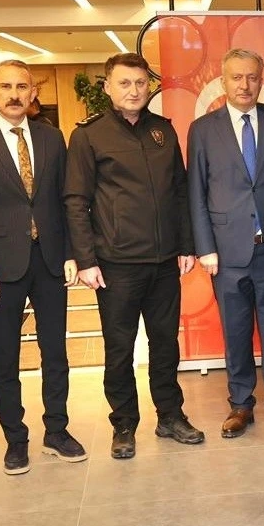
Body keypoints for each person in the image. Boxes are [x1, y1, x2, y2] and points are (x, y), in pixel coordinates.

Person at [65, 52, 202, 459]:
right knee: (119, 349)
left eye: (141, 83)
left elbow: (180, 191)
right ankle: (123, 423)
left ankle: (170, 415)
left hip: (164, 262)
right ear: (108, 87)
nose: (134, 90)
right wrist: (86, 260)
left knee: (165, 345)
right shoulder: (88, 136)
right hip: (116, 264)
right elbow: (76, 201)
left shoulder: (163, 131)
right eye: (124, 83)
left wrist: (187, 245)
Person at [0, 59, 83, 473]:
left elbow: (64, 200)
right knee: (5, 356)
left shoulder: (51, 137)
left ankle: (57, 430)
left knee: (55, 352)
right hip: (0, 266)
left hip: (49, 260)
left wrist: (70, 252)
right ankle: (15, 438)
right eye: (6, 87)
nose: (14, 94)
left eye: (21, 87)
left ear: (33, 92)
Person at [188, 49, 264, 438]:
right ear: (223, 81)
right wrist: (205, 247)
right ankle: (240, 405)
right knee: (235, 333)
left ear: (261, 80)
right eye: (236, 77)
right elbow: (196, 192)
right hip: (227, 253)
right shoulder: (203, 129)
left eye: (252, 77)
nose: (244, 84)